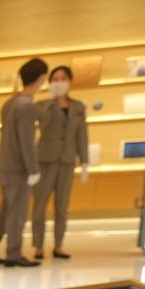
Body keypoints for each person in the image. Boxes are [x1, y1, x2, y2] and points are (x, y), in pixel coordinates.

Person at [0, 57, 47, 267]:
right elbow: (27, 141)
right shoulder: (26, 106)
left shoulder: (10, 103)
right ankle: (13, 254)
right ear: (41, 78)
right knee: (17, 213)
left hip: (5, 166)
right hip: (18, 169)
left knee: (6, 211)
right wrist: (33, 169)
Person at [32, 65, 89, 260]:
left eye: (63, 78)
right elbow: (42, 124)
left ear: (70, 81)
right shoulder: (42, 105)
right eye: (55, 79)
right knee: (40, 205)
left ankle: (58, 245)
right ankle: (38, 246)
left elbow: (82, 134)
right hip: (45, 160)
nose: (59, 82)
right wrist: (51, 101)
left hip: (67, 161)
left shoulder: (78, 107)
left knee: (62, 207)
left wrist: (85, 161)